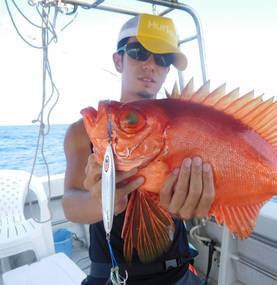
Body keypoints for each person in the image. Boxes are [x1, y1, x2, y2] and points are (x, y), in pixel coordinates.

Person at [63, 13, 215, 285]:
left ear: (168, 69)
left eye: (163, 59)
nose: (151, 65)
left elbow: (196, 199)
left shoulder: (185, 129)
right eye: (139, 52)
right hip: (111, 276)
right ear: (118, 60)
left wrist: (190, 203)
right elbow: (70, 202)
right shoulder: (85, 131)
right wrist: (104, 202)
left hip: (178, 272)